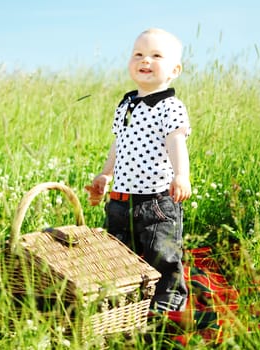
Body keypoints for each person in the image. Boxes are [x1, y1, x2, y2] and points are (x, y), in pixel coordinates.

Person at [85, 28, 191, 313]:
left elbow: (176, 142)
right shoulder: (126, 104)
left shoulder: (171, 107)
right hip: (120, 200)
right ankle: (124, 303)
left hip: (156, 202)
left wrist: (181, 175)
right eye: (138, 54)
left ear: (174, 69)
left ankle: (167, 304)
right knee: (117, 254)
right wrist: (106, 175)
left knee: (163, 253)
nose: (145, 60)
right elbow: (118, 144)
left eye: (156, 55)